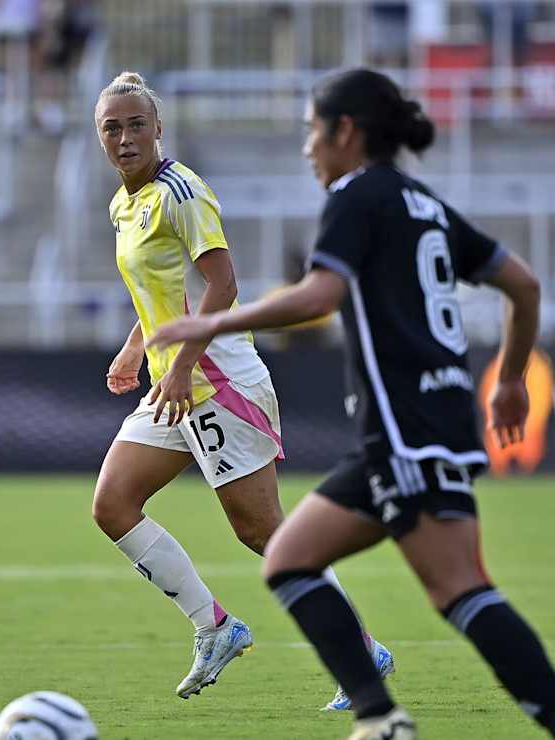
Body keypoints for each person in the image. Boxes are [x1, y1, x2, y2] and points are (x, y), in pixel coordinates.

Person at [148, 68, 555, 740]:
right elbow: (524, 286)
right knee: (290, 559)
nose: (306, 147)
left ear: (345, 133)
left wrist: (209, 324)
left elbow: (319, 297)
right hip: (425, 425)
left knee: (460, 589)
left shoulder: (357, 197)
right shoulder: (424, 203)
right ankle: (379, 717)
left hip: (405, 431)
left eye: (311, 130)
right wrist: (508, 380)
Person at [91, 71, 394, 710]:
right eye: (111, 127)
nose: (124, 138)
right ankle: (216, 626)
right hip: (178, 383)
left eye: (135, 124)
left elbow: (223, 286)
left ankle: (360, 653)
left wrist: (177, 366)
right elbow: (161, 293)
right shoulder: (124, 204)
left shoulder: (181, 191)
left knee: (264, 534)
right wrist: (137, 346)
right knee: (113, 503)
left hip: (217, 381)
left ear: (158, 129)